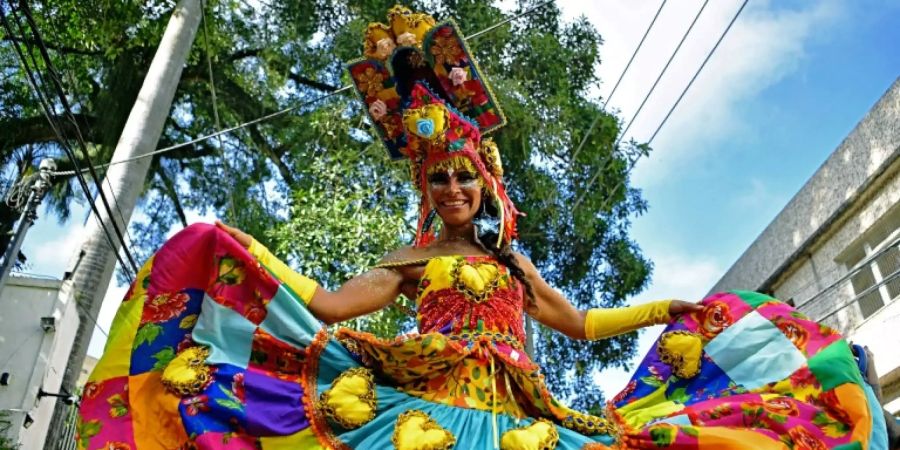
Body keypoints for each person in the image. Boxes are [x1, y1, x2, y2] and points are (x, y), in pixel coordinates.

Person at [78, 6, 889, 450]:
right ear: (428, 191)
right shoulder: (410, 258)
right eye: (440, 177)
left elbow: (579, 324)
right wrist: (242, 257)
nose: (456, 185)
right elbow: (325, 309)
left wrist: (676, 310)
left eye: (467, 174)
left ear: (486, 183)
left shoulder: (512, 266)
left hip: (523, 412)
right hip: (421, 408)